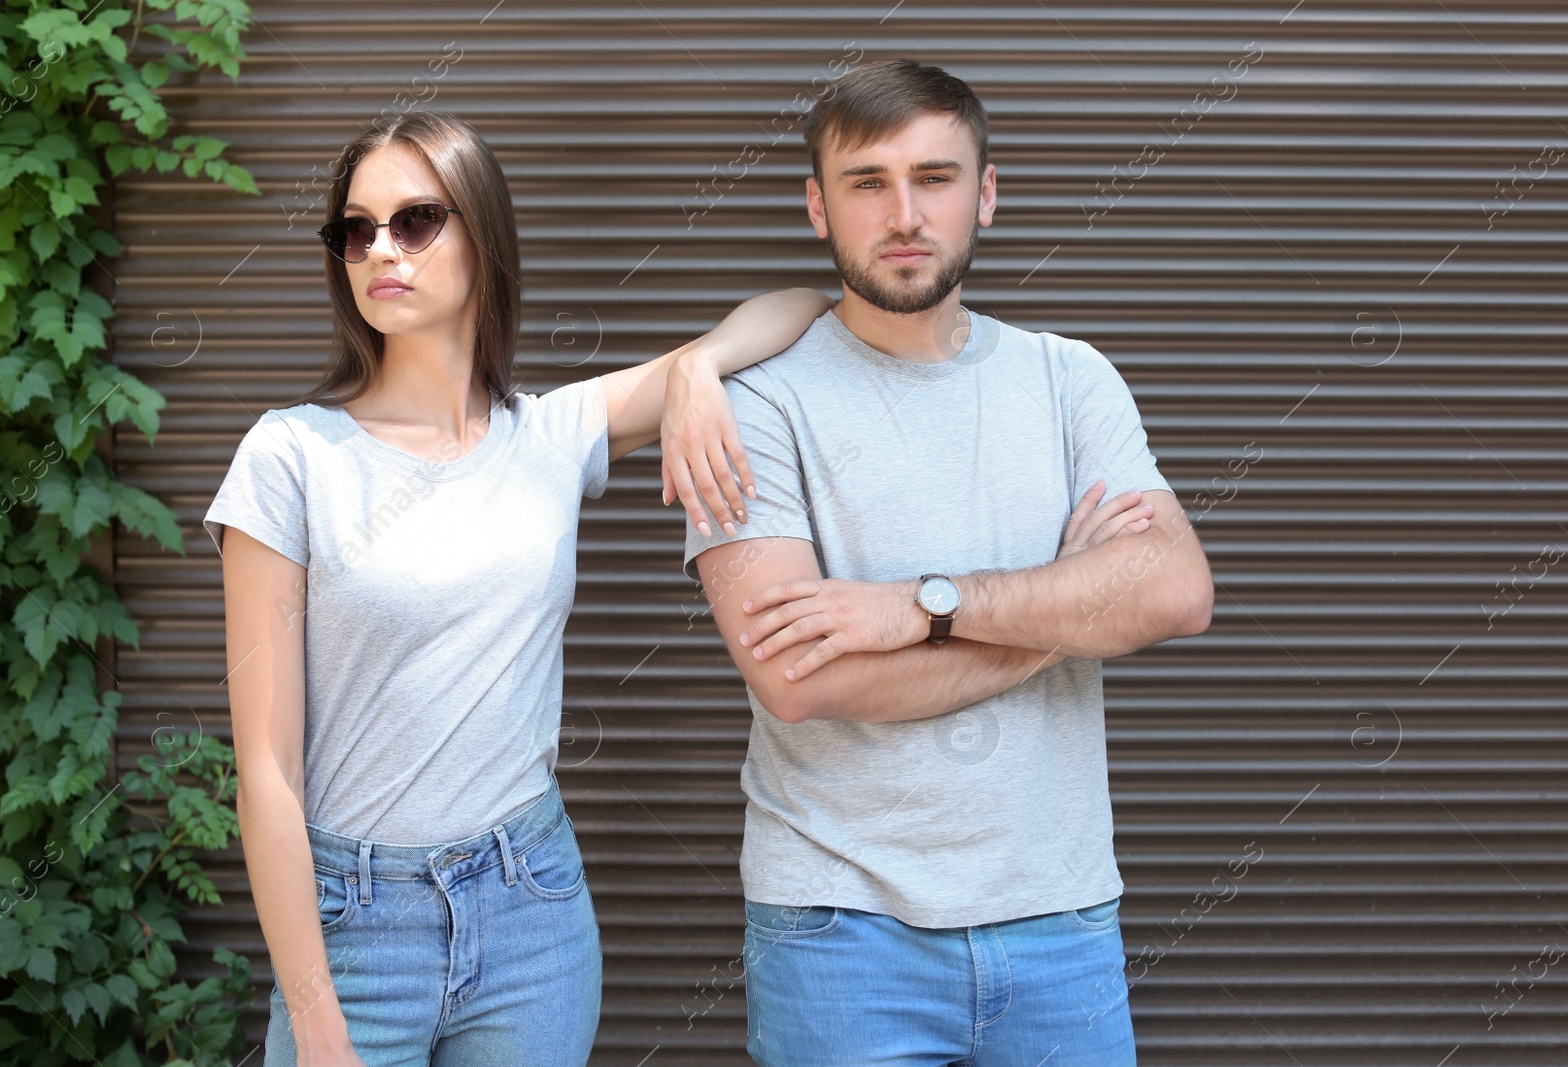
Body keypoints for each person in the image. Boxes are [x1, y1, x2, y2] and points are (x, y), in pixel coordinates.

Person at [205, 110, 831, 1067]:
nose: (381, 249)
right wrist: (318, 1021)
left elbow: (801, 302)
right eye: (355, 229)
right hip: (354, 928)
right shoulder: (290, 455)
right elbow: (267, 774)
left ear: (482, 236)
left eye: (416, 221)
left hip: (529, 912)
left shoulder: (548, 435)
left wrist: (698, 364)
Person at [684, 60, 1214, 1066]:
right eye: (867, 182)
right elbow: (799, 679)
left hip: (1059, 921)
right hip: (838, 929)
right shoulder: (755, 404)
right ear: (816, 205)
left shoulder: (1070, 378)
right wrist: (1062, 617)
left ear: (986, 191)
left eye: (934, 177)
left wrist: (922, 606)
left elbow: (1174, 589)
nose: (904, 213)